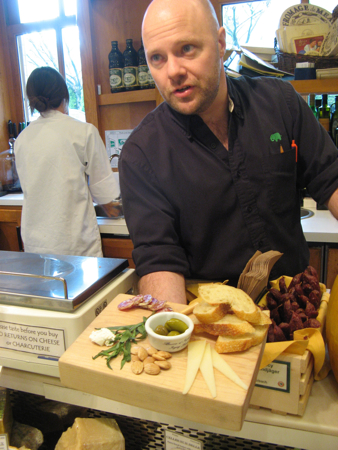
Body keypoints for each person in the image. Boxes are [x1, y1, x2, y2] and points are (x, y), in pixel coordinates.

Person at [119, 0, 338, 304]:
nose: (173, 71)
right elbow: (160, 262)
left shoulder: (281, 104)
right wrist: (177, 338)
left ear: (220, 43)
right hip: (213, 330)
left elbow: (332, 180)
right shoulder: (141, 155)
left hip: (297, 313)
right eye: (157, 58)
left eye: (187, 49)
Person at [15, 66, 120, 257]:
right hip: (74, 243)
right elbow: (104, 191)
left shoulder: (22, 138)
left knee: (49, 287)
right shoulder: (84, 132)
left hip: (35, 243)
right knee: (87, 288)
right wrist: (111, 207)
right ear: (65, 96)